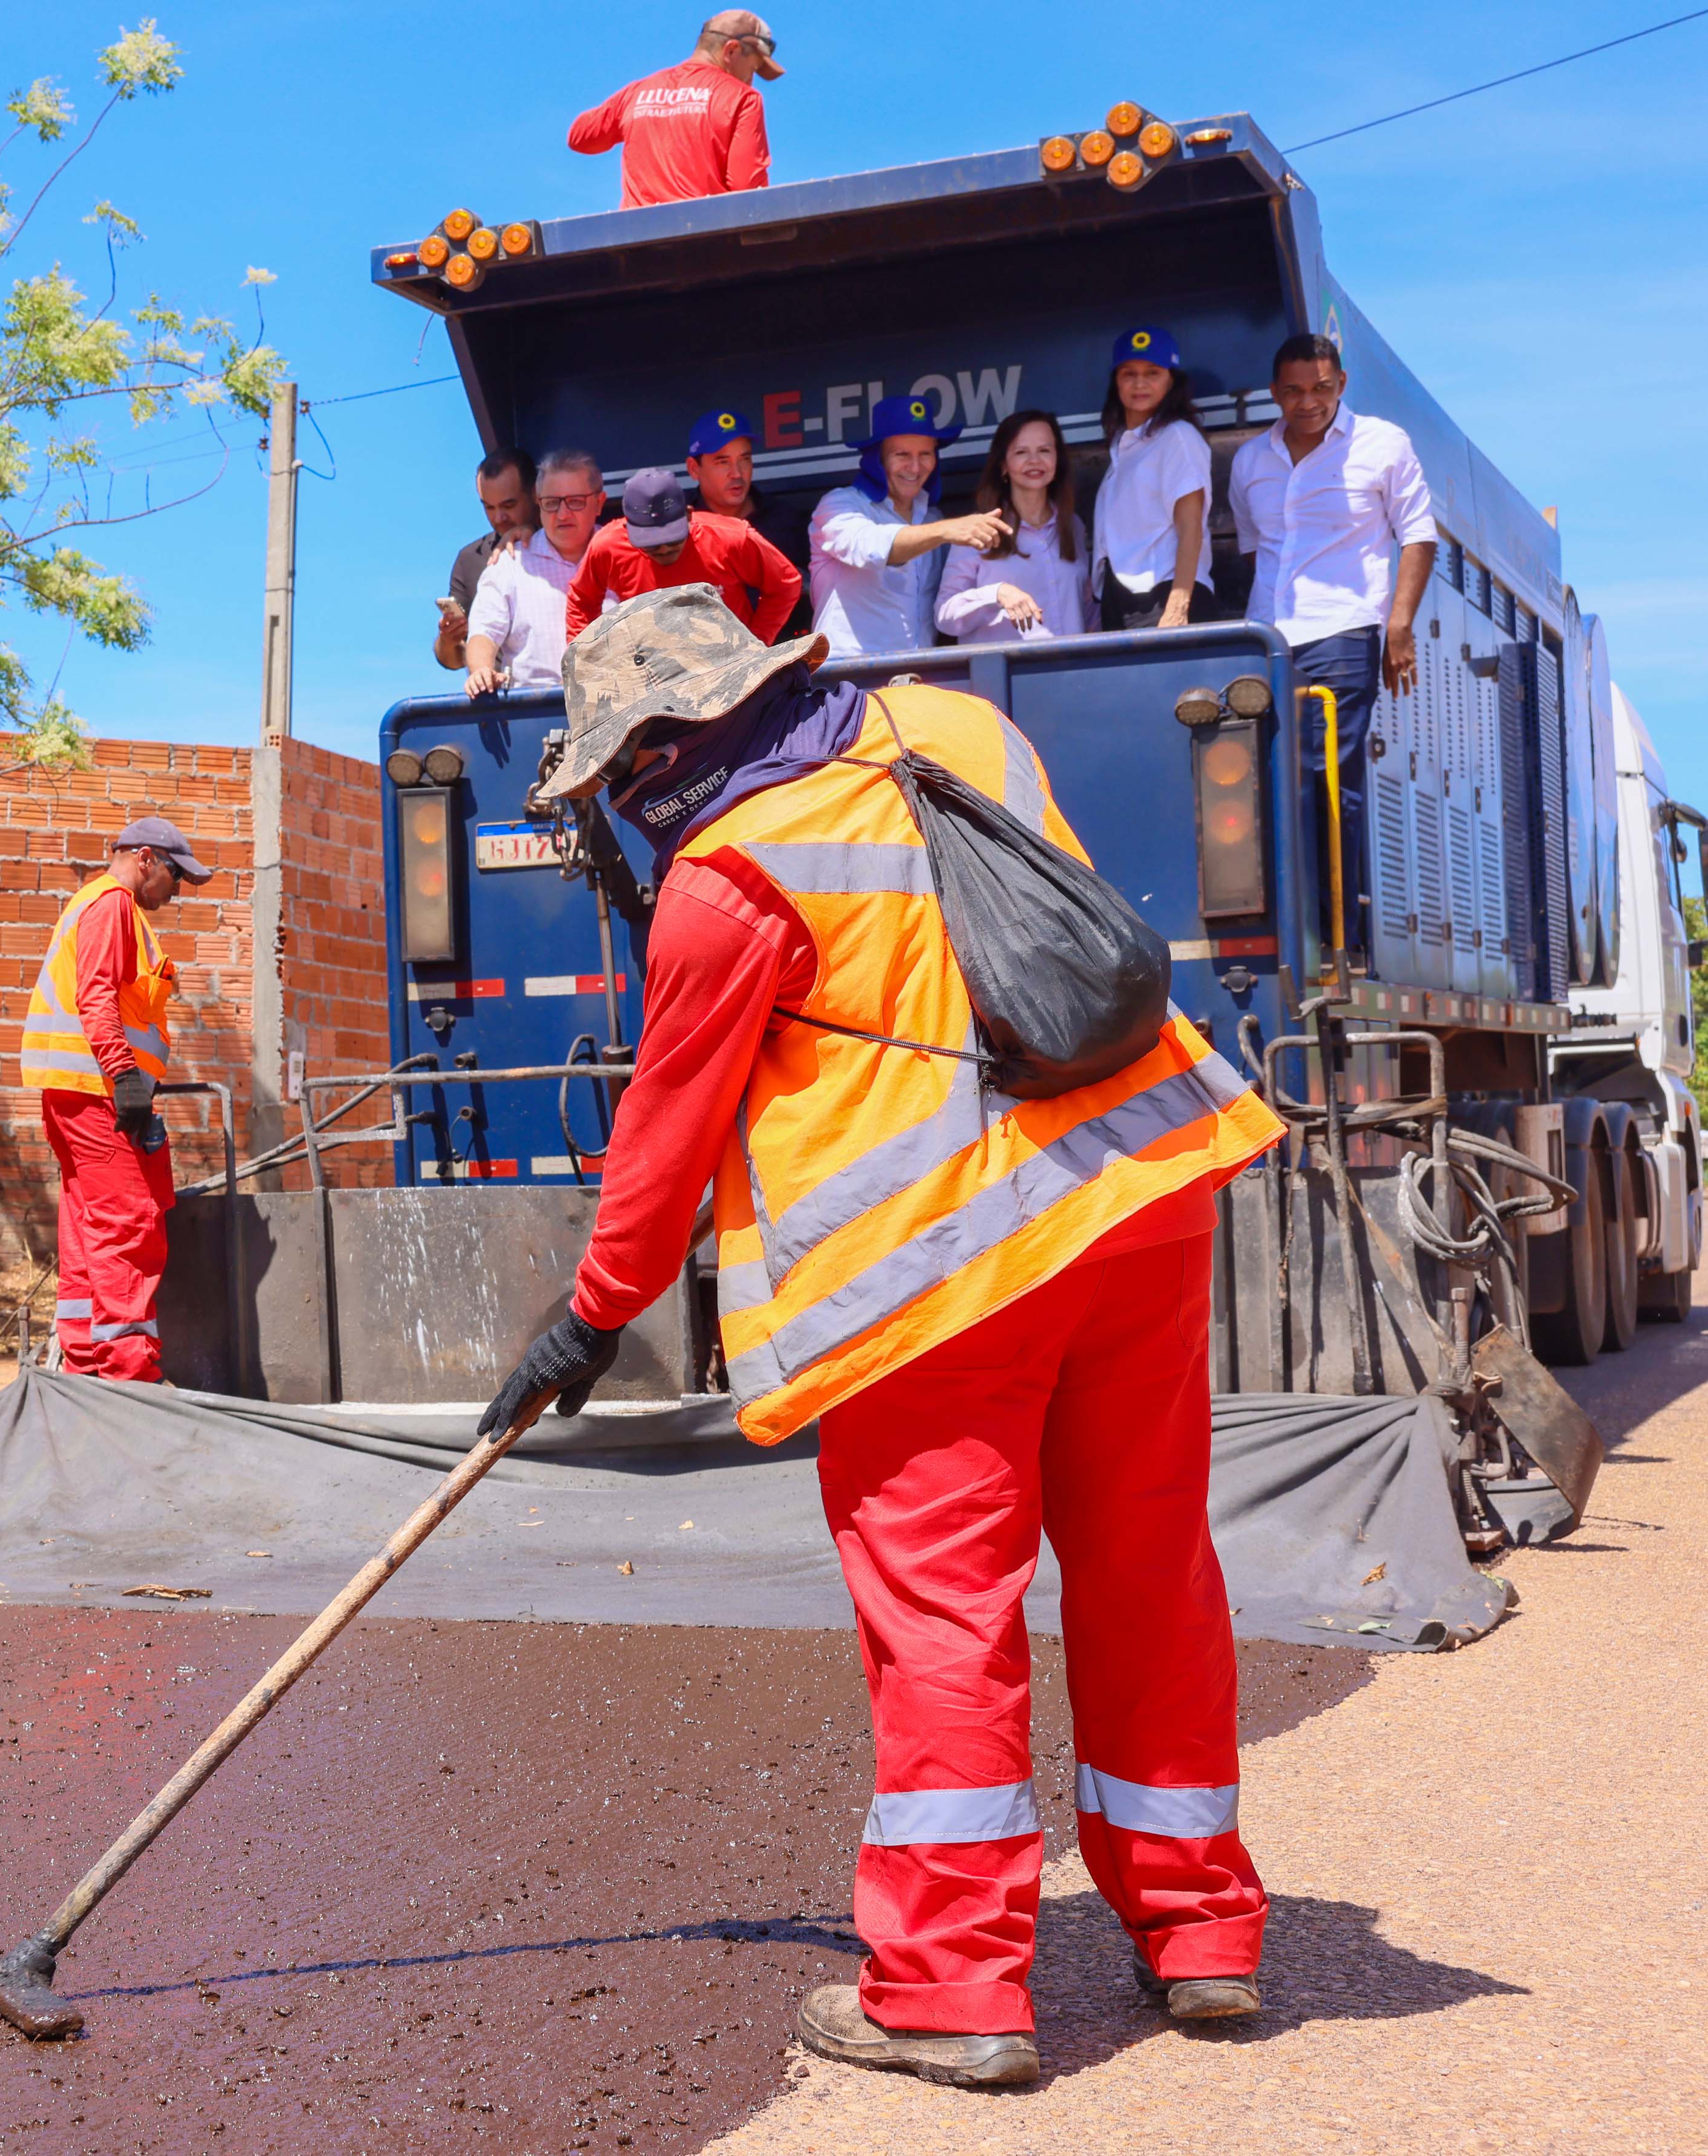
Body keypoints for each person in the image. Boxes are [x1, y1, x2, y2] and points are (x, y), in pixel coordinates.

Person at [489, 585, 1288, 2088]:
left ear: (657, 749)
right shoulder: (959, 725)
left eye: (618, 773)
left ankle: (950, 1985)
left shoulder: (725, 877)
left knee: (944, 1613)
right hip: (1137, 1195)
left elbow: (664, 1129)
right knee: (1148, 1566)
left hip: (938, 1278)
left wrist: (589, 1320)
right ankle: (1199, 1930)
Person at [1228, 331, 1438, 962]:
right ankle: (1281, 924)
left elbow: (1419, 535)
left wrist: (1399, 626)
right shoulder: (1250, 461)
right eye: (1294, 391)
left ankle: (1337, 937)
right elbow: (1253, 549)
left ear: (1341, 384)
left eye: (1321, 388)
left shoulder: (1383, 444)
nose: (1309, 402)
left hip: (1344, 634)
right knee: (1261, 779)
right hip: (1266, 638)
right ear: (1275, 393)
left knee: (1325, 777)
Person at [18, 818, 217, 1381]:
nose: (177, 891)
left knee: (90, 1226)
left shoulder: (94, 904)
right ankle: (130, 1375)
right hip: (98, 1094)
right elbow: (97, 995)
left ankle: (85, 1368)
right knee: (128, 1225)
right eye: (176, 876)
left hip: (78, 1093)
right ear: (146, 859)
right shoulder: (112, 906)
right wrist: (125, 1076)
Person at [808, 391, 1011, 655]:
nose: (915, 467)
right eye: (902, 454)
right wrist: (946, 531)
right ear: (877, 458)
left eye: (925, 454)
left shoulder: (932, 518)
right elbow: (870, 548)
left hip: (917, 673)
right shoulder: (838, 505)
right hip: (850, 675)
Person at [567, 10, 780, 211]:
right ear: (731, 50)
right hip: (705, 232)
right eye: (753, 68)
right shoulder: (743, 98)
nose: (751, 80)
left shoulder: (637, 92)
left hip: (636, 234)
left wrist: (637, 108)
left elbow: (580, 137)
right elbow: (749, 191)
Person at [565, 466, 803, 642]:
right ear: (628, 528)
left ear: (689, 515)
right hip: (651, 675)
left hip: (730, 667)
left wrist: (755, 642)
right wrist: (589, 663)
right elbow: (581, 601)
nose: (664, 549)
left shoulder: (732, 538)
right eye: (651, 544)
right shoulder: (607, 547)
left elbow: (786, 584)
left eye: (673, 539)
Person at [937, 410, 1096, 643]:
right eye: (1021, 452)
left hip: (1074, 664)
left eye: (1044, 451)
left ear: (1057, 461)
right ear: (1003, 465)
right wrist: (997, 593)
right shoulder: (977, 530)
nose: (1034, 461)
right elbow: (944, 616)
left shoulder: (1073, 527)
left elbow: (1088, 611)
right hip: (1005, 667)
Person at [1092, 327, 1214, 630]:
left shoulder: (1177, 436)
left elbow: (1190, 527)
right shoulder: (1123, 446)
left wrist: (1178, 607)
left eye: (1153, 373)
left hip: (1165, 597)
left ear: (1171, 381)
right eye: (1129, 374)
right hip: (1123, 599)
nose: (1140, 383)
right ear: (1116, 382)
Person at [465, 449, 604, 694]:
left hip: (622, 707)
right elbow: (483, 631)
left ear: (599, 502)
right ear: (538, 503)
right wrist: (481, 671)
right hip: (538, 710)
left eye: (575, 501)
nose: (562, 514)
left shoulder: (627, 554)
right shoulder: (509, 564)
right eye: (551, 503)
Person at [435, 450, 539, 672]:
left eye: (509, 506)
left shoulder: (564, 545)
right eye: (489, 507)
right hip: (497, 690)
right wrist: (447, 640)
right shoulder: (469, 560)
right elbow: (454, 660)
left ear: (535, 494)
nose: (499, 518)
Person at [686, 407, 762, 521]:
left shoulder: (784, 521)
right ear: (694, 469)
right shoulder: (679, 525)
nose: (737, 474)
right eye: (723, 462)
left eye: (744, 459)